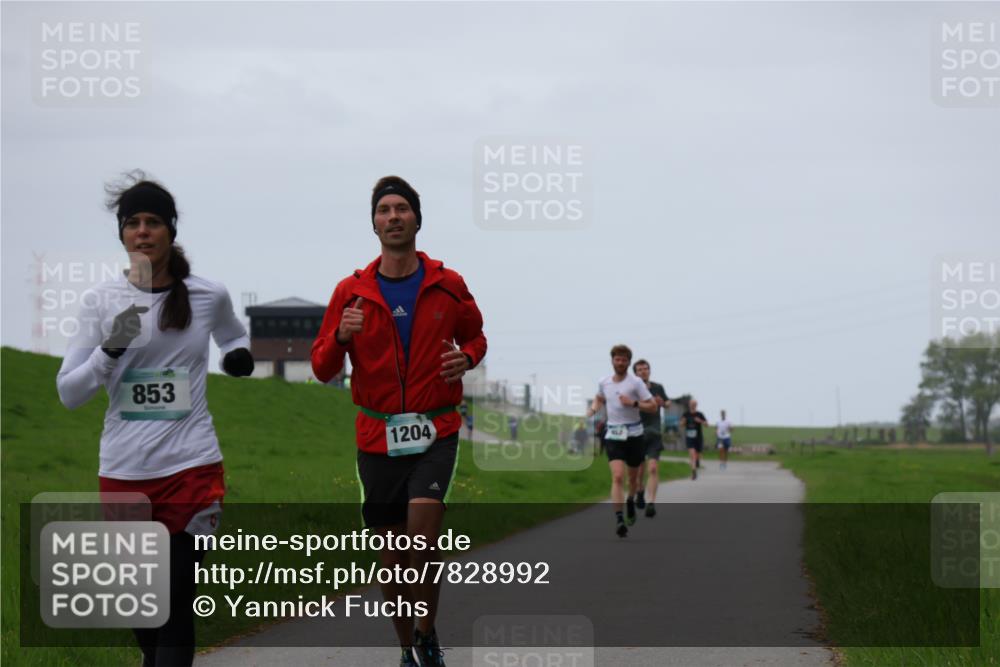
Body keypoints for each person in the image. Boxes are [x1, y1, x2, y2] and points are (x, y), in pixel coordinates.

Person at [56, 174, 254, 667]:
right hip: (124, 471)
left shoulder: (208, 295)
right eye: (133, 224)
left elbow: (232, 336)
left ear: (171, 231)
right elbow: (68, 394)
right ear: (122, 235)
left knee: (174, 600)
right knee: (146, 612)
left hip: (192, 467)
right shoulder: (101, 302)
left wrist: (236, 357)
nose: (143, 232)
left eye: (153, 222)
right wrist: (109, 351)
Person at [311, 175, 486, 667]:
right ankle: (408, 647)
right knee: (392, 562)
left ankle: (427, 631)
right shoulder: (351, 292)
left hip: (436, 429)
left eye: (401, 209)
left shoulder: (448, 285)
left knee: (423, 536)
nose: (392, 217)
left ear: (416, 219)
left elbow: (477, 337)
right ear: (374, 223)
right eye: (384, 210)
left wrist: (467, 359)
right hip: (376, 433)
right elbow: (321, 366)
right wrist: (341, 338)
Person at [586, 344, 657, 537]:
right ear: (612, 361)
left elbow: (653, 407)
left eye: (624, 360)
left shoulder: (636, 383)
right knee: (617, 476)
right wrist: (592, 410)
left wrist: (633, 403)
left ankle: (631, 500)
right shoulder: (604, 381)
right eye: (617, 359)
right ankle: (619, 519)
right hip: (614, 433)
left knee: (632, 479)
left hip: (634, 434)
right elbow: (599, 398)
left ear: (628, 362)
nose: (620, 363)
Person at [632, 359, 670, 517]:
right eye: (639, 369)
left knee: (653, 468)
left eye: (645, 369)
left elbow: (667, 402)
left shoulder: (657, 387)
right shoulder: (631, 389)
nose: (643, 371)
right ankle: (640, 490)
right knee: (639, 470)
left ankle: (651, 503)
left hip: (654, 433)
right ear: (635, 373)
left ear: (649, 371)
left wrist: (663, 403)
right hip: (637, 433)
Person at [681, 399, 710, 480]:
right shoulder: (686, 414)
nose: (693, 405)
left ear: (696, 405)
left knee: (697, 455)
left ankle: (696, 463)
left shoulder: (700, 414)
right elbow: (681, 425)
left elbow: (707, 425)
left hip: (698, 438)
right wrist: (683, 422)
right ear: (689, 405)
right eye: (691, 404)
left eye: (694, 404)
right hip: (689, 437)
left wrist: (700, 421)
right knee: (692, 454)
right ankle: (693, 472)